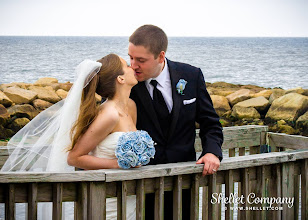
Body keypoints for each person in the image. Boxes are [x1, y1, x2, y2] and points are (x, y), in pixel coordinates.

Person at [1, 54, 139, 219]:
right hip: (107, 199)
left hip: (129, 196)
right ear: (120, 79)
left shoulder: (131, 107)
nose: (133, 66)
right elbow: (74, 158)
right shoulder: (109, 114)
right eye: (127, 65)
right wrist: (117, 165)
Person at [129, 25, 223, 219]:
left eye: (141, 60)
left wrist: (212, 151)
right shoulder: (126, 82)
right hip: (140, 182)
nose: (133, 65)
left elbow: (210, 122)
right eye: (130, 57)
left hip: (184, 179)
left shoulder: (191, 75)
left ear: (161, 56)